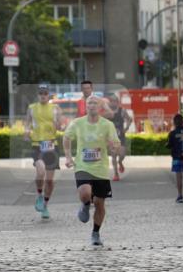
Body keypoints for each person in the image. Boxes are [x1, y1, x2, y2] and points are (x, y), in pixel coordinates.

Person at [63, 95, 120, 247]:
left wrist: (113, 146)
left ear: (100, 106)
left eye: (95, 103)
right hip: (83, 166)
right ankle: (85, 204)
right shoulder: (77, 123)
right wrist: (68, 157)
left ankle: (95, 233)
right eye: (89, 103)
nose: (92, 105)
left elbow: (116, 144)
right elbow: (66, 137)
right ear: (86, 106)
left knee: (100, 204)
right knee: (85, 193)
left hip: (100, 169)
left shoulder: (107, 125)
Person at [24, 83, 62, 220]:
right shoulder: (32, 108)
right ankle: (39, 195)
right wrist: (27, 131)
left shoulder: (55, 108)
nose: (43, 96)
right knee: (40, 172)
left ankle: (45, 205)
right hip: (37, 145)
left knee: (50, 181)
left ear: (49, 95)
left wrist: (59, 125)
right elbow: (27, 124)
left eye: (45, 93)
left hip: (52, 145)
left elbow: (60, 126)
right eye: (41, 93)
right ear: (38, 95)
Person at [105, 93, 132, 181]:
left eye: (114, 101)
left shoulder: (122, 111)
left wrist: (126, 127)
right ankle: (116, 174)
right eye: (111, 101)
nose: (112, 103)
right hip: (111, 138)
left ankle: (120, 162)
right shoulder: (107, 112)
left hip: (121, 136)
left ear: (117, 102)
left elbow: (129, 119)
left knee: (122, 154)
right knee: (113, 155)